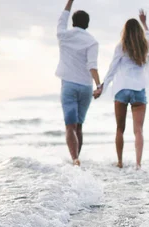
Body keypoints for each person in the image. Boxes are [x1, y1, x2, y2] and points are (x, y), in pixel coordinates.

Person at [97, 10, 149, 169]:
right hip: (138, 90)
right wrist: (144, 22)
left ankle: (120, 162)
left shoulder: (121, 46)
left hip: (121, 89)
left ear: (125, 31)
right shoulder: (144, 45)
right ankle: (138, 164)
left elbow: (112, 68)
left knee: (120, 128)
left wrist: (102, 87)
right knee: (138, 131)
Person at [55, 0, 102, 166]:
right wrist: (98, 85)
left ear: (73, 22)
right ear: (87, 25)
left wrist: (70, 2)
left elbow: (62, 18)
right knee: (79, 126)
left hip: (69, 85)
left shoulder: (64, 35)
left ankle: (75, 159)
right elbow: (92, 66)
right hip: (85, 87)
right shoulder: (92, 41)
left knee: (70, 126)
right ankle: (77, 158)